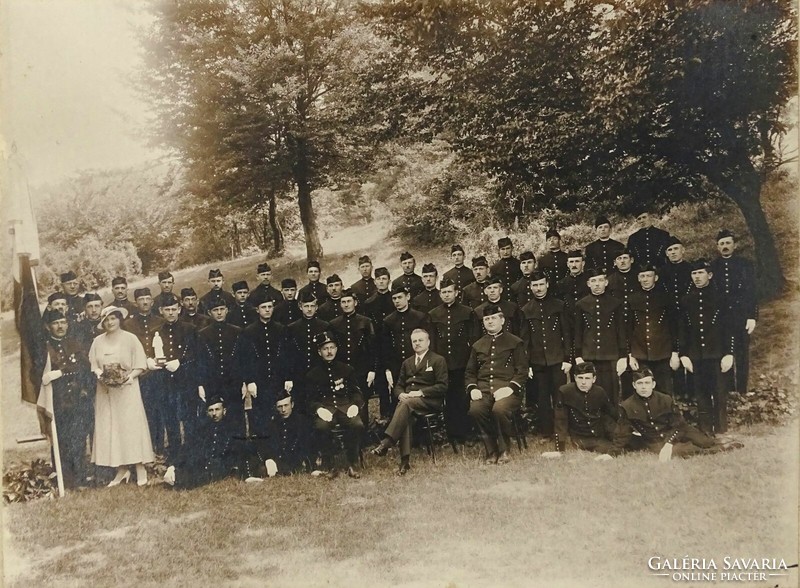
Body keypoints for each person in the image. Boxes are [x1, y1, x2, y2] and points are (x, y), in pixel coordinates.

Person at [89, 306, 154, 487]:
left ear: (119, 319)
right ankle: (121, 469)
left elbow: (140, 364)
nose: (110, 322)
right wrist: (100, 375)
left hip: (128, 389)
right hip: (106, 391)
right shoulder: (97, 342)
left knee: (130, 425)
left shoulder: (130, 339)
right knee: (111, 427)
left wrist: (128, 377)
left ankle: (140, 466)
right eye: (106, 320)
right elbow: (94, 364)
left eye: (113, 318)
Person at [611, 368, 740, 458]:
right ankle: (721, 449)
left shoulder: (665, 399)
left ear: (653, 384)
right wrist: (612, 454)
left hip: (679, 430)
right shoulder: (627, 406)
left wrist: (669, 443)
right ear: (634, 385)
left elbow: (679, 425)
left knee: (703, 441)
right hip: (655, 440)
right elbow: (623, 432)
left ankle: (718, 442)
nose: (644, 387)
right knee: (683, 451)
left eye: (647, 383)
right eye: (640, 383)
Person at [371, 329, 448, 475]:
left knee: (406, 405)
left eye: (420, 340)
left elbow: (442, 386)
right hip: (409, 404)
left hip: (429, 402)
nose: (417, 343)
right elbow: (398, 385)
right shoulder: (407, 362)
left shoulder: (438, 360)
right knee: (405, 413)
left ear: (428, 342)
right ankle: (405, 463)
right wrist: (400, 394)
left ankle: (386, 443)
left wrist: (420, 392)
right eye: (414, 341)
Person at [678, 259, 735, 436]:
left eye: (700, 273)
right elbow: (683, 329)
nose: (697, 277)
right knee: (701, 393)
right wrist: (684, 354)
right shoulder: (687, 300)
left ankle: (721, 430)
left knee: (719, 393)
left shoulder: (721, 298)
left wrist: (729, 353)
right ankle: (704, 429)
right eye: (694, 274)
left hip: (717, 353)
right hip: (696, 354)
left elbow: (729, 327)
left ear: (709, 275)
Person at [466, 305, 527, 464]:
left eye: (493, 318)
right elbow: (470, 372)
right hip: (484, 391)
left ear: (502, 320)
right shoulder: (477, 345)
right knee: (475, 410)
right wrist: (472, 388)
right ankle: (491, 450)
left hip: (508, 391)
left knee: (499, 409)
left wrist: (510, 388)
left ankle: (504, 449)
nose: (490, 321)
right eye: (486, 319)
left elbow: (522, 370)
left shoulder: (515, 342)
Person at [38, 309, 93, 489]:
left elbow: (84, 367)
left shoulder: (74, 343)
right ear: (48, 326)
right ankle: (63, 479)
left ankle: (80, 477)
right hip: (56, 401)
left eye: (63, 322)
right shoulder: (44, 348)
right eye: (55, 323)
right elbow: (35, 372)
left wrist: (62, 372)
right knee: (60, 439)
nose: (60, 326)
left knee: (78, 438)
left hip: (76, 399)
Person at [306, 332, 365, 478]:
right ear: (319, 352)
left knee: (357, 424)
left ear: (337, 349)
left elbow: (356, 392)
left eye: (332, 347)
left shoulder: (347, 369)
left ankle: (352, 463)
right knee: (322, 426)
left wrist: (355, 405)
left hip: (345, 406)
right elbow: (309, 399)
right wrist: (318, 408)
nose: (329, 351)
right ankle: (330, 463)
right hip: (326, 408)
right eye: (325, 349)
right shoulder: (313, 374)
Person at [520, 271, 572, 436]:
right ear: (530, 287)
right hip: (537, 362)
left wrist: (567, 358)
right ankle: (546, 432)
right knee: (542, 399)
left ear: (547, 285)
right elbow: (525, 340)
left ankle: (562, 430)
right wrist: (527, 363)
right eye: (535, 285)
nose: (538, 288)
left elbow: (567, 334)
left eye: (541, 284)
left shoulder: (559, 305)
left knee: (560, 396)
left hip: (557, 360)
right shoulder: (526, 309)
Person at [428, 278, 479, 448]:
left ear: (456, 293)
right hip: (444, 364)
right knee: (448, 400)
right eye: (443, 292)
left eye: (449, 292)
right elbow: (433, 342)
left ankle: (467, 433)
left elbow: (473, 339)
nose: (446, 295)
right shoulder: (434, 314)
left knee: (463, 398)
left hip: (462, 362)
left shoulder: (467, 312)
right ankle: (452, 435)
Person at [151, 293, 200, 461]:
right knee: (170, 419)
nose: (171, 313)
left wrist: (180, 362)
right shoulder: (155, 332)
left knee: (189, 418)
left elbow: (195, 353)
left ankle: (192, 453)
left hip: (186, 380)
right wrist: (151, 361)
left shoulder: (190, 329)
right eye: (167, 309)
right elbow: (152, 354)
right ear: (161, 311)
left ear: (179, 309)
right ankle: (175, 454)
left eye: (174, 309)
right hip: (165, 382)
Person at [710, 229, 758, 394]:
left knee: (742, 352)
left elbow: (752, 292)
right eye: (722, 244)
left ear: (734, 245)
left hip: (740, 316)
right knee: (725, 351)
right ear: (717, 247)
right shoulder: (713, 267)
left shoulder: (745, 265)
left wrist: (752, 316)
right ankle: (729, 390)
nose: (725, 246)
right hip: (722, 317)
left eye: (728, 243)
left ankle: (742, 389)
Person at [240, 292, 293, 436]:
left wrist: (288, 377)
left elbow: (287, 355)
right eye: (264, 307)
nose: (268, 310)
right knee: (261, 416)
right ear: (257, 310)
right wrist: (250, 381)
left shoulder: (281, 329)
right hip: (260, 381)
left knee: (281, 413)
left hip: (279, 379)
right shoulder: (249, 332)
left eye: (270, 306)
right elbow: (246, 359)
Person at [573, 268, 628, 405]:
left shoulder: (616, 303)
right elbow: (578, 332)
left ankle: (611, 421)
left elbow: (621, 330)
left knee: (611, 392)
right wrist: (578, 355)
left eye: (600, 280)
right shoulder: (581, 304)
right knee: (588, 391)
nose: (597, 284)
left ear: (606, 282)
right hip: (589, 354)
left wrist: (622, 356)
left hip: (610, 355)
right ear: (588, 283)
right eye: (593, 281)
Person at [328, 289, 378, 438]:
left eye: (349, 301)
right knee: (345, 400)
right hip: (343, 371)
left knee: (362, 401)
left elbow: (373, 349)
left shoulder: (366, 322)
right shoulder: (334, 324)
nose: (346, 304)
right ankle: (350, 435)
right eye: (343, 302)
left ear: (355, 303)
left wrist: (372, 370)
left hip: (362, 369)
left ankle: (364, 436)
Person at [122, 288, 165, 456]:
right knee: (142, 411)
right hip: (139, 374)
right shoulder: (128, 325)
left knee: (158, 410)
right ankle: (145, 449)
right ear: (136, 303)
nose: (145, 302)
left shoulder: (160, 321)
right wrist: (144, 360)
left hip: (159, 372)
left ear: (153, 302)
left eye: (148, 299)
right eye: (141, 299)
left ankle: (159, 447)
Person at [163, 396, 237, 489]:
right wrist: (172, 467)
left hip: (219, 467)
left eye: (217, 409)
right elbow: (188, 447)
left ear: (224, 411)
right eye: (211, 410)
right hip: (201, 465)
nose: (214, 413)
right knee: (174, 477)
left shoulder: (231, 429)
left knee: (186, 480)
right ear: (207, 412)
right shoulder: (202, 429)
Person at [627, 265, 678, 396]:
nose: (645, 279)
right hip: (640, 352)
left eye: (649, 276)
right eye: (642, 276)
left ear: (656, 278)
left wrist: (674, 352)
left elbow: (674, 326)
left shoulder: (666, 298)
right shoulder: (632, 299)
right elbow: (628, 328)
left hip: (663, 352)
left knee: (664, 390)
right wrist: (630, 354)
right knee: (642, 390)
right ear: (638, 278)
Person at [197, 294, 245, 430]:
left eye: (222, 309)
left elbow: (242, 359)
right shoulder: (203, 334)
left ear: (227, 310)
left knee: (236, 416)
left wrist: (244, 381)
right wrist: (201, 384)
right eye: (215, 310)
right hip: (213, 383)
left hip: (234, 382)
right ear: (209, 313)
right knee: (216, 418)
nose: (219, 313)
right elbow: (201, 361)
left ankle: (238, 448)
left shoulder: (237, 331)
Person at [547, 362, 617, 456]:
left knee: (620, 447)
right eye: (580, 378)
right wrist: (560, 448)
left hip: (598, 436)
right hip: (578, 437)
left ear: (594, 379)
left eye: (587, 378)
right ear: (575, 378)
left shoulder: (599, 392)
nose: (583, 382)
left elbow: (612, 412)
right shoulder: (565, 391)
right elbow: (560, 420)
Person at [382, 285, 430, 416]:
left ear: (408, 297)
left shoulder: (419, 317)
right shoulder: (388, 320)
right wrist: (388, 368)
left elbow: (426, 341)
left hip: (416, 362)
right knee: (399, 394)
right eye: (394, 298)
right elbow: (385, 346)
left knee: (416, 393)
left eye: (400, 297)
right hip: (396, 364)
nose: (397, 301)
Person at [286, 291, 330, 410]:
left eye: (312, 306)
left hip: (320, 372)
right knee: (301, 404)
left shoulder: (324, 326)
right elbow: (289, 354)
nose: (309, 309)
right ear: (300, 307)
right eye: (306, 306)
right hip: (299, 373)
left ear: (316, 307)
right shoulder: (292, 328)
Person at [255, 392, 313, 477]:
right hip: (278, 461)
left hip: (296, 460)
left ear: (292, 405)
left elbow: (306, 445)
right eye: (280, 406)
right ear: (276, 407)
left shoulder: (302, 422)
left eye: (286, 405)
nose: (283, 410)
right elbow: (265, 444)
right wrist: (269, 459)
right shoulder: (271, 424)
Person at [363, 267, 395, 420]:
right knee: (381, 383)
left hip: (394, 344)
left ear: (389, 280)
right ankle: (384, 415)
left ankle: (397, 415)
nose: (381, 282)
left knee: (396, 381)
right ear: (375, 282)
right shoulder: (369, 303)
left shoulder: (394, 299)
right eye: (379, 279)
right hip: (377, 345)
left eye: (384, 278)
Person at [555, 250, 590, 319]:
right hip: (568, 320)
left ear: (583, 263)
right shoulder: (561, 283)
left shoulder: (589, 281)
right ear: (568, 264)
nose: (574, 265)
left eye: (577, 261)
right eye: (571, 262)